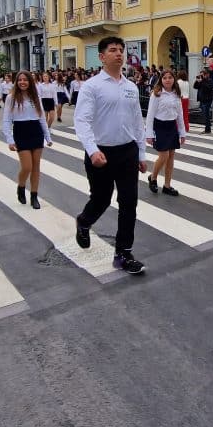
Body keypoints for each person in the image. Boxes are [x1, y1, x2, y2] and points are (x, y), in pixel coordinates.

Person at [74, 37, 147, 275]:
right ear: (102, 56)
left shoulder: (131, 87)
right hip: (101, 154)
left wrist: (141, 153)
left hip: (127, 152)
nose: (119, 54)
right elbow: (81, 121)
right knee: (101, 199)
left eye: (121, 50)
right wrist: (92, 150)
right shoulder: (92, 86)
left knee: (129, 203)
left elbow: (137, 122)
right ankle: (84, 222)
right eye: (113, 50)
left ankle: (123, 253)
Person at [2, 70, 53, 208]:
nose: (22, 82)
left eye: (25, 80)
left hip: (36, 131)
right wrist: (10, 139)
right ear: (16, 82)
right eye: (20, 80)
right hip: (21, 131)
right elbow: (6, 120)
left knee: (36, 166)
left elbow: (42, 117)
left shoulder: (35, 96)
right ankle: (21, 186)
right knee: (27, 167)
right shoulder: (11, 97)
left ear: (30, 82)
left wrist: (48, 137)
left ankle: (34, 196)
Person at [145, 69, 186, 197]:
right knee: (164, 156)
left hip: (171, 127)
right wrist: (149, 134)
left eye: (170, 77)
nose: (167, 80)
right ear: (161, 80)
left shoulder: (176, 94)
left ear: (174, 79)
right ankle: (153, 177)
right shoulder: (156, 94)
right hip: (159, 127)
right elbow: (150, 115)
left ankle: (167, 186)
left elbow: (180, 115)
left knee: (171, 157)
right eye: (165, 78)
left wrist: (182, 132)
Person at [194, 69, 213, 133]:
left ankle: (208, 129)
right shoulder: (202, 81)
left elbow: (208, 88)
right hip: (202, 100)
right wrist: (197, 81)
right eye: (200, 75)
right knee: (204, 115)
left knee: (206, 115)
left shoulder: (209, 80)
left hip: (207, 100)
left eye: (202, 75)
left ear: (206, 75)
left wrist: (202, 81)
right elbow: (195, 87)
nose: (201, 76)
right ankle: (207, 128)